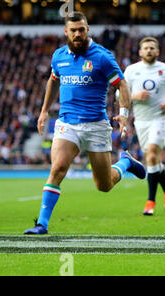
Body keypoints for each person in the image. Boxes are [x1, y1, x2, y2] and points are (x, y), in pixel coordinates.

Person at [24, 12, 146, 235]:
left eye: (81, 29)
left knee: (104, 185)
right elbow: (53, 82)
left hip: (96, 125)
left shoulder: (102, 57)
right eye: (73, 30)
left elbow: (122, 85)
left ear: (88, 29)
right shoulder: (58, 56)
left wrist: (124, 113)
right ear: (66, 32)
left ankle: (125, 163)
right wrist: (43, 112)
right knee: (58, 167)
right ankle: (42, 223)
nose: (78, 34)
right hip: (67, 123)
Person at [123, 37, 165, 215]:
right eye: (146, 48)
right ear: (140, 52)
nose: (149, 51)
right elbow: (119, 94)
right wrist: (134, 96)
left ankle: (150, 201)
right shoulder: (131, 70)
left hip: (160, 118)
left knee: (151, 156)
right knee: (154, 161)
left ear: (157, 52)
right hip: (141, 121)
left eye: (152, 48)